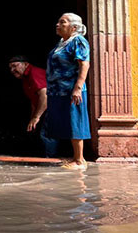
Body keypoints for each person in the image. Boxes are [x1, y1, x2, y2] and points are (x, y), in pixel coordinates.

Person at [46, 13, 91, 169]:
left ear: (74, 27)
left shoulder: (78, 41)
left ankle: (80, 160)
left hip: (71, 90)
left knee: (75, 121)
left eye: (62, 22)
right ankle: (74, 157)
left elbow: (84, 65)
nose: (57, 25)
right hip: (59, 91)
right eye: (58, 22)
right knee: (67, 122)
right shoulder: (62, 43)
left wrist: (78, 88)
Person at [8, 56, 57, 157]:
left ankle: (49, 162)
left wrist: (36, 117)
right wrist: (32, 118)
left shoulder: (34, 73)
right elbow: (34, 100)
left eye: (14, 66)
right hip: (44, 108)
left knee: (46, 134)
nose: (12, 70)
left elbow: (45, 95)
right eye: (10, 68)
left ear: (25, 64)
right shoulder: (25, 78)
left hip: (52, 106)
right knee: (35, 132)